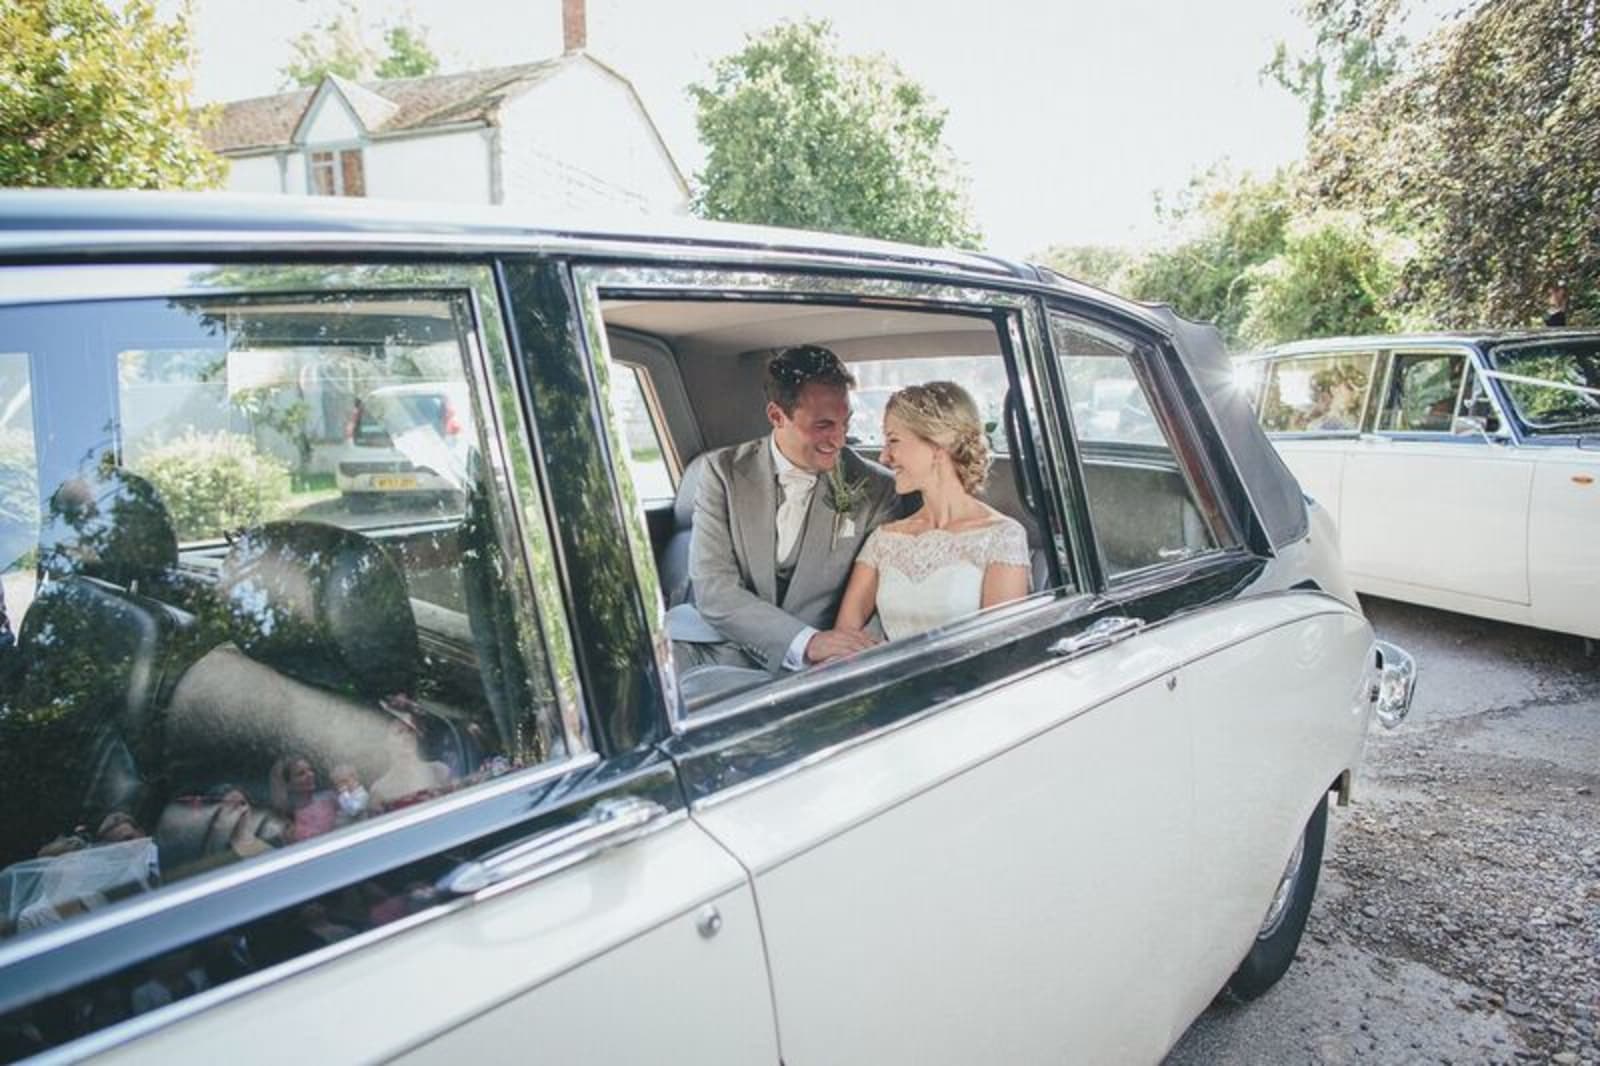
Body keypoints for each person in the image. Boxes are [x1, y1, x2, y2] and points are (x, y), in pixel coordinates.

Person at [673, 345, 900, 673]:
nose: (839, 440)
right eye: (823, 425)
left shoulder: (876, 487)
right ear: (777, 416)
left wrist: (844, 657)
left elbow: (884, 599)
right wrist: (805, 642)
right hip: (715, 648)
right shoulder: (722, 472)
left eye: (845, 423)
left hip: (817, 670)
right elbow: (714, 589)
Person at [834, 382, 1031, 643]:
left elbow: (1001, 649)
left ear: (938, 447)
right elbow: (843, 640)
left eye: (893, 440)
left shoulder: (1002, 537)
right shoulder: (883, 540)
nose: (883, 457)